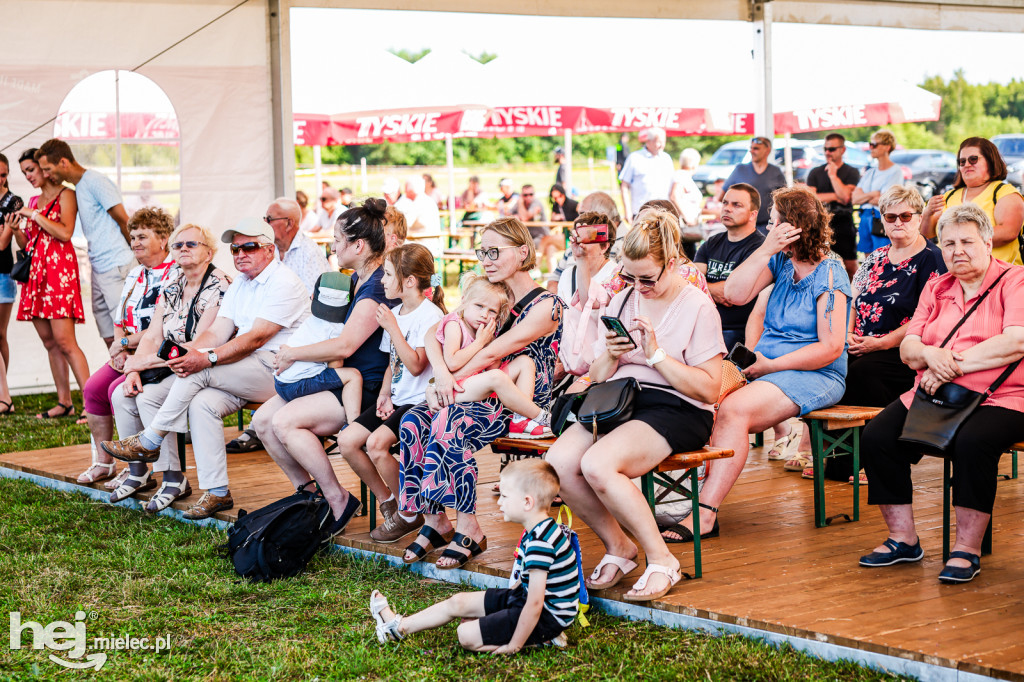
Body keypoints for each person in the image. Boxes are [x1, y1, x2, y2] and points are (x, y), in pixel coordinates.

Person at [547, 209, 725, 602]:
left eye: (648, 277)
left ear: (673, 263)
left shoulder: (696, 305)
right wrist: (610, 355)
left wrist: (657, 355)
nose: (638, 286)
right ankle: (619, 546)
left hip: (678, 407)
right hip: (620, 400)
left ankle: (662, 560)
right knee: (558, 465)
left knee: (597, 464)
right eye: (629, 276)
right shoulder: (621, 300)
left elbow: (710, 390)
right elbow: (595, 372)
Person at [669, 186, 850, 542]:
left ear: (795, 226)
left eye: (774, 222)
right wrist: (766, 248)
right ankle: (679, 499)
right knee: (698, 392)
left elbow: (831, 348)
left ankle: (705, 514)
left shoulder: (830, 272)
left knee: (734, 410)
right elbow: (735, 295)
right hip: (764, 362)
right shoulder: (779, 259)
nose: (768, 228)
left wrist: (771, 365)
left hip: (815, 371)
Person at [100, 217, 310, 520]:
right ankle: (217, 492)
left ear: (268, 249)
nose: (240, 254)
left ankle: (150, 441)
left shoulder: (282, 281)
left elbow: (256, 338)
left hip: (280, 369)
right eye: (235, 249)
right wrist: (196, 354)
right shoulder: (241, 283)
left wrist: (206, 359)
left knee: (199, 371)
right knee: (201, 404)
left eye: (248, 247)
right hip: (247, 368)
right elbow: (217, 334)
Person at [858, 203, 1024, 584]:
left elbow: (1016, 342)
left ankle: (966, 549)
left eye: (967, 241)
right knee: (878, 436)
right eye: (948, 243)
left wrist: (950, 365)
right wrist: (931, 355)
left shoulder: (1015, 280)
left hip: (1003, 396)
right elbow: (908, 348)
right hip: (935, 392)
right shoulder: (937, 286)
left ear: (987, 242)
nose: (957, 251)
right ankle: (903, 539)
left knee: (973, 442)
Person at [399, 217, 563, 569]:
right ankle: (434, 520)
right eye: (482, 252)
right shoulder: (490, 296)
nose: (485, 259)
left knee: (448, 421)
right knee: (412, 421)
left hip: (517, 399)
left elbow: (490, 354)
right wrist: (440, 376)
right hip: (471, 388)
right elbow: (436, 330)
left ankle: (469, 527)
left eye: (494, 251)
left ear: (522, 252)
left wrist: (447, 382)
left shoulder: (547, 305)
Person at [251, 199, 397, 536]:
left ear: (358, 245)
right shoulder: (354, 279)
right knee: (262, 420)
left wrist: (294, 354)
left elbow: (346, 345)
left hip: (365, 386)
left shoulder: (375, 288)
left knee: (285, 422)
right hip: (336, 376)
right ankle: (309, 493)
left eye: (337, 240)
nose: (332, 246)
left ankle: (338, 498)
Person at [803, 184, 946, 482]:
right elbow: (854, 300)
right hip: (861, 343)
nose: (898, 223)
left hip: (905, 351)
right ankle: (836, 456)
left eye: (906, 216)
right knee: (824, 369)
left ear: (919, 217)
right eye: (890, 216)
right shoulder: (875, 256)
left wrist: (881, 343)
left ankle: (871, 458)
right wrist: (848, 332)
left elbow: (927, 315)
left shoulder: (934, 258)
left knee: (862, 373)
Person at [370, 459, 579, 651]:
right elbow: (523, 588)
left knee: (466, 635)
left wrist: (514, 645)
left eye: (505, 496)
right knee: (458, 603)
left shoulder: (540, 542)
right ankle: (398, 627)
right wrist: (497, 610)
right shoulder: (537, 529)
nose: (499, 502)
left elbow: (535, 604)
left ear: (527, 502)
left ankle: (540, 640)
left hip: (548, 617)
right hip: (525, 599)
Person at [107, 224, 230, 509]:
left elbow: (199, 345)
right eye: (178, 245)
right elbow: (153, 334)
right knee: (122, 393)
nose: (184, 249)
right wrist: (135, 369)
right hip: (168, 363)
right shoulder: (174, 279)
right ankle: (139, 472)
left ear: (209, 252)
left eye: (192, 244)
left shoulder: (220, 285)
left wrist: (141, 362)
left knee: (150, 396)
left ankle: (173, 478)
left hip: (202, 364)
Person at [334, 244, 445, 543]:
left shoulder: (428, 315)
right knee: (347, 441)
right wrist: (385, 393)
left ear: (409, 281)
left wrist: (393, 327)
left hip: (420, 402)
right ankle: (391, 502)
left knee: (377, 444)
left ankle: (410, 511)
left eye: (387, 274)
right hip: (396, 398)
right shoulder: (394, 312)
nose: (382, 281)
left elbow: (415, 364)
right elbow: (391, 363)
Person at [78, 207, 178, 487]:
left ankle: (137, 469)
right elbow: (120, 317)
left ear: (163, 238)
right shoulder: (136, 274)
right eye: (132, 236)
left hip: (158, 355)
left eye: (142, 236)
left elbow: (164, 326)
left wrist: (124, 344)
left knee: (116, 390)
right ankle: (103, 462)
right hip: (131, 352)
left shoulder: (175, 273)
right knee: (93, 389)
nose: (134, 242)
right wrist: (121, 349)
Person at [5, 148, 89, 420]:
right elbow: (27, 244)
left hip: (59, 273)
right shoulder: (32, 200)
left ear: (44, 167)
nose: (28, 176)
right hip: (37, 274)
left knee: (66, 341)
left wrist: (35, 215)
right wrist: (17, 228)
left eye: (31, 170)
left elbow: (65, 232)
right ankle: (65, 402)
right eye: (25, 172)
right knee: (49, 342)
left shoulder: (67, 194)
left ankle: (92, 405)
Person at [35, 139, 133, 347]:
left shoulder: (95, 180)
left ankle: (136, 378)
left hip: (117, 265)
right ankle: (118, 376)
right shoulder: (78, 187)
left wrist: (139, 261)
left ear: (63, 162)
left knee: (125, 332)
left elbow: (124, 220)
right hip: (98, 269)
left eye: (47, 169)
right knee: (108, 333)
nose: (45, 175)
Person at [921, 136, 1024, 267]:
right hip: (950, 276)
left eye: (973, 159)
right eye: (962, 162)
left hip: (999, 277)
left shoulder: (1004, 192)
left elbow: (1008, 233)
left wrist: (962, 239)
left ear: (990, 161)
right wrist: (927, 214)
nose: (967, 164)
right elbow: (926, 234)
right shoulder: (948, 196)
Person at [693, 183, 766, 350]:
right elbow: (689, 281)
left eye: (736, 205)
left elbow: (732, 293)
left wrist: (704, 287)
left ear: (752, 214)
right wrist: (713, 288)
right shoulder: (712, 242)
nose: (727, 208)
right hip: (703, 326)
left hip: (737, 332)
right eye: (725, 203)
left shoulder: (759, 248)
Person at [806, 133, 861, 279]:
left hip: (843, 223)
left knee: (849, 265)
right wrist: (837, 195)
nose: (827, 153)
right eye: (825, 149)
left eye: (832, 149)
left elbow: (845, 198)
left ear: (842, 150)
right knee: (818, 263)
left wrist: (833, 176)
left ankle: (851, 299)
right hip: (819, 224)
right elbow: (811, 199)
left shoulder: (851, 172)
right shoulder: (815, 172)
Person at [852, 129, 904, 255]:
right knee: (868, 260)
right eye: (870, 145)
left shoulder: (895, 171)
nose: (871, 148)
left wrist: (866, 197)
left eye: (874, 145)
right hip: (865, 216)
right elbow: (854, 199)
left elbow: (886, 201)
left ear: (887, 147)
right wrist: (873, 194)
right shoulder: (870, 172)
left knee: (883, 258)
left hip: (880, 218)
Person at [721, 136, 787, 234]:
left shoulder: (775, 172)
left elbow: (785, 201)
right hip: (743, 227)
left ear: (767, 150)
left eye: (756, 148)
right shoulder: (740, 169)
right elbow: (721, 196)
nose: (752, 151)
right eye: (751, 148)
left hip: (768, 227)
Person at [266, 197, 329, 294]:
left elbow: (313, 298)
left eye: (269, 219)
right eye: (265, 219)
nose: (265, 223)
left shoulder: (309, 252)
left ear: (289, 224)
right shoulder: (268, 248)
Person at [619, 127, 674, 220]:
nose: (661, 145)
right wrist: (627, 211)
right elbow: (624, 186)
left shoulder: (667, 158)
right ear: (648, 141)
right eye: (658, 142)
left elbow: (672, 186)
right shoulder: (635, 158)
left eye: (663, 142)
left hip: (663, 213)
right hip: (641, 213)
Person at [0, 154, 19, 391]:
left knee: (0, 335)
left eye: (3, 174)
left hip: (3, 274)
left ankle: (3, 391)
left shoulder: (13, 201)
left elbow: (2, 244)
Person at [669, 148, 705, 258]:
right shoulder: (681, 176)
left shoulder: (684, 176)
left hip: (688, 227)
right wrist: (687, 217)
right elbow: (674, 196)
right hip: (685, 227)